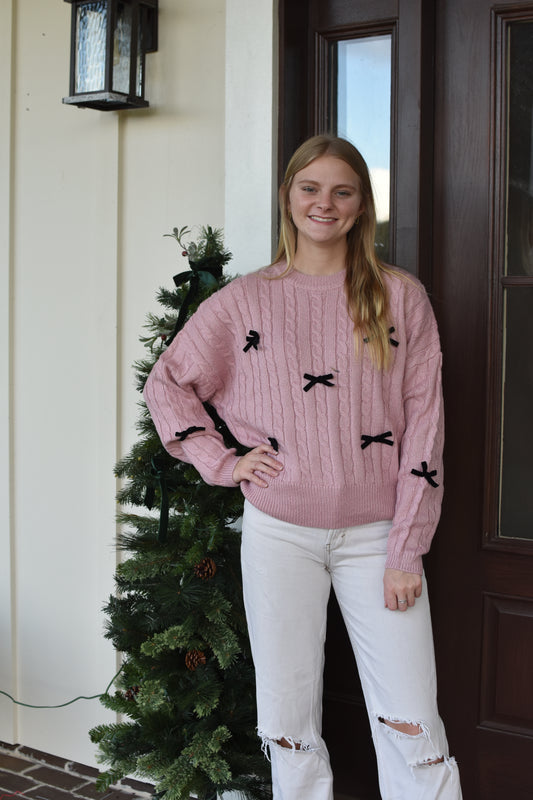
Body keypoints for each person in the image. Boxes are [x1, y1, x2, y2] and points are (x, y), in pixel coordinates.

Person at [143, 135, 463, 800]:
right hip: (278, 532)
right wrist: (222, 461)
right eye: (310, 188)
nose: (325, 203)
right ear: (288, 199)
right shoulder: (243, 301)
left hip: (378, 538)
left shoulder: (400, 298)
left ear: (360, 206)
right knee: (287, 716)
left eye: (342, 190)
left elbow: (425, 427)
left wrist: (407, 548)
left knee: (411, 717)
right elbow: (168, 382)